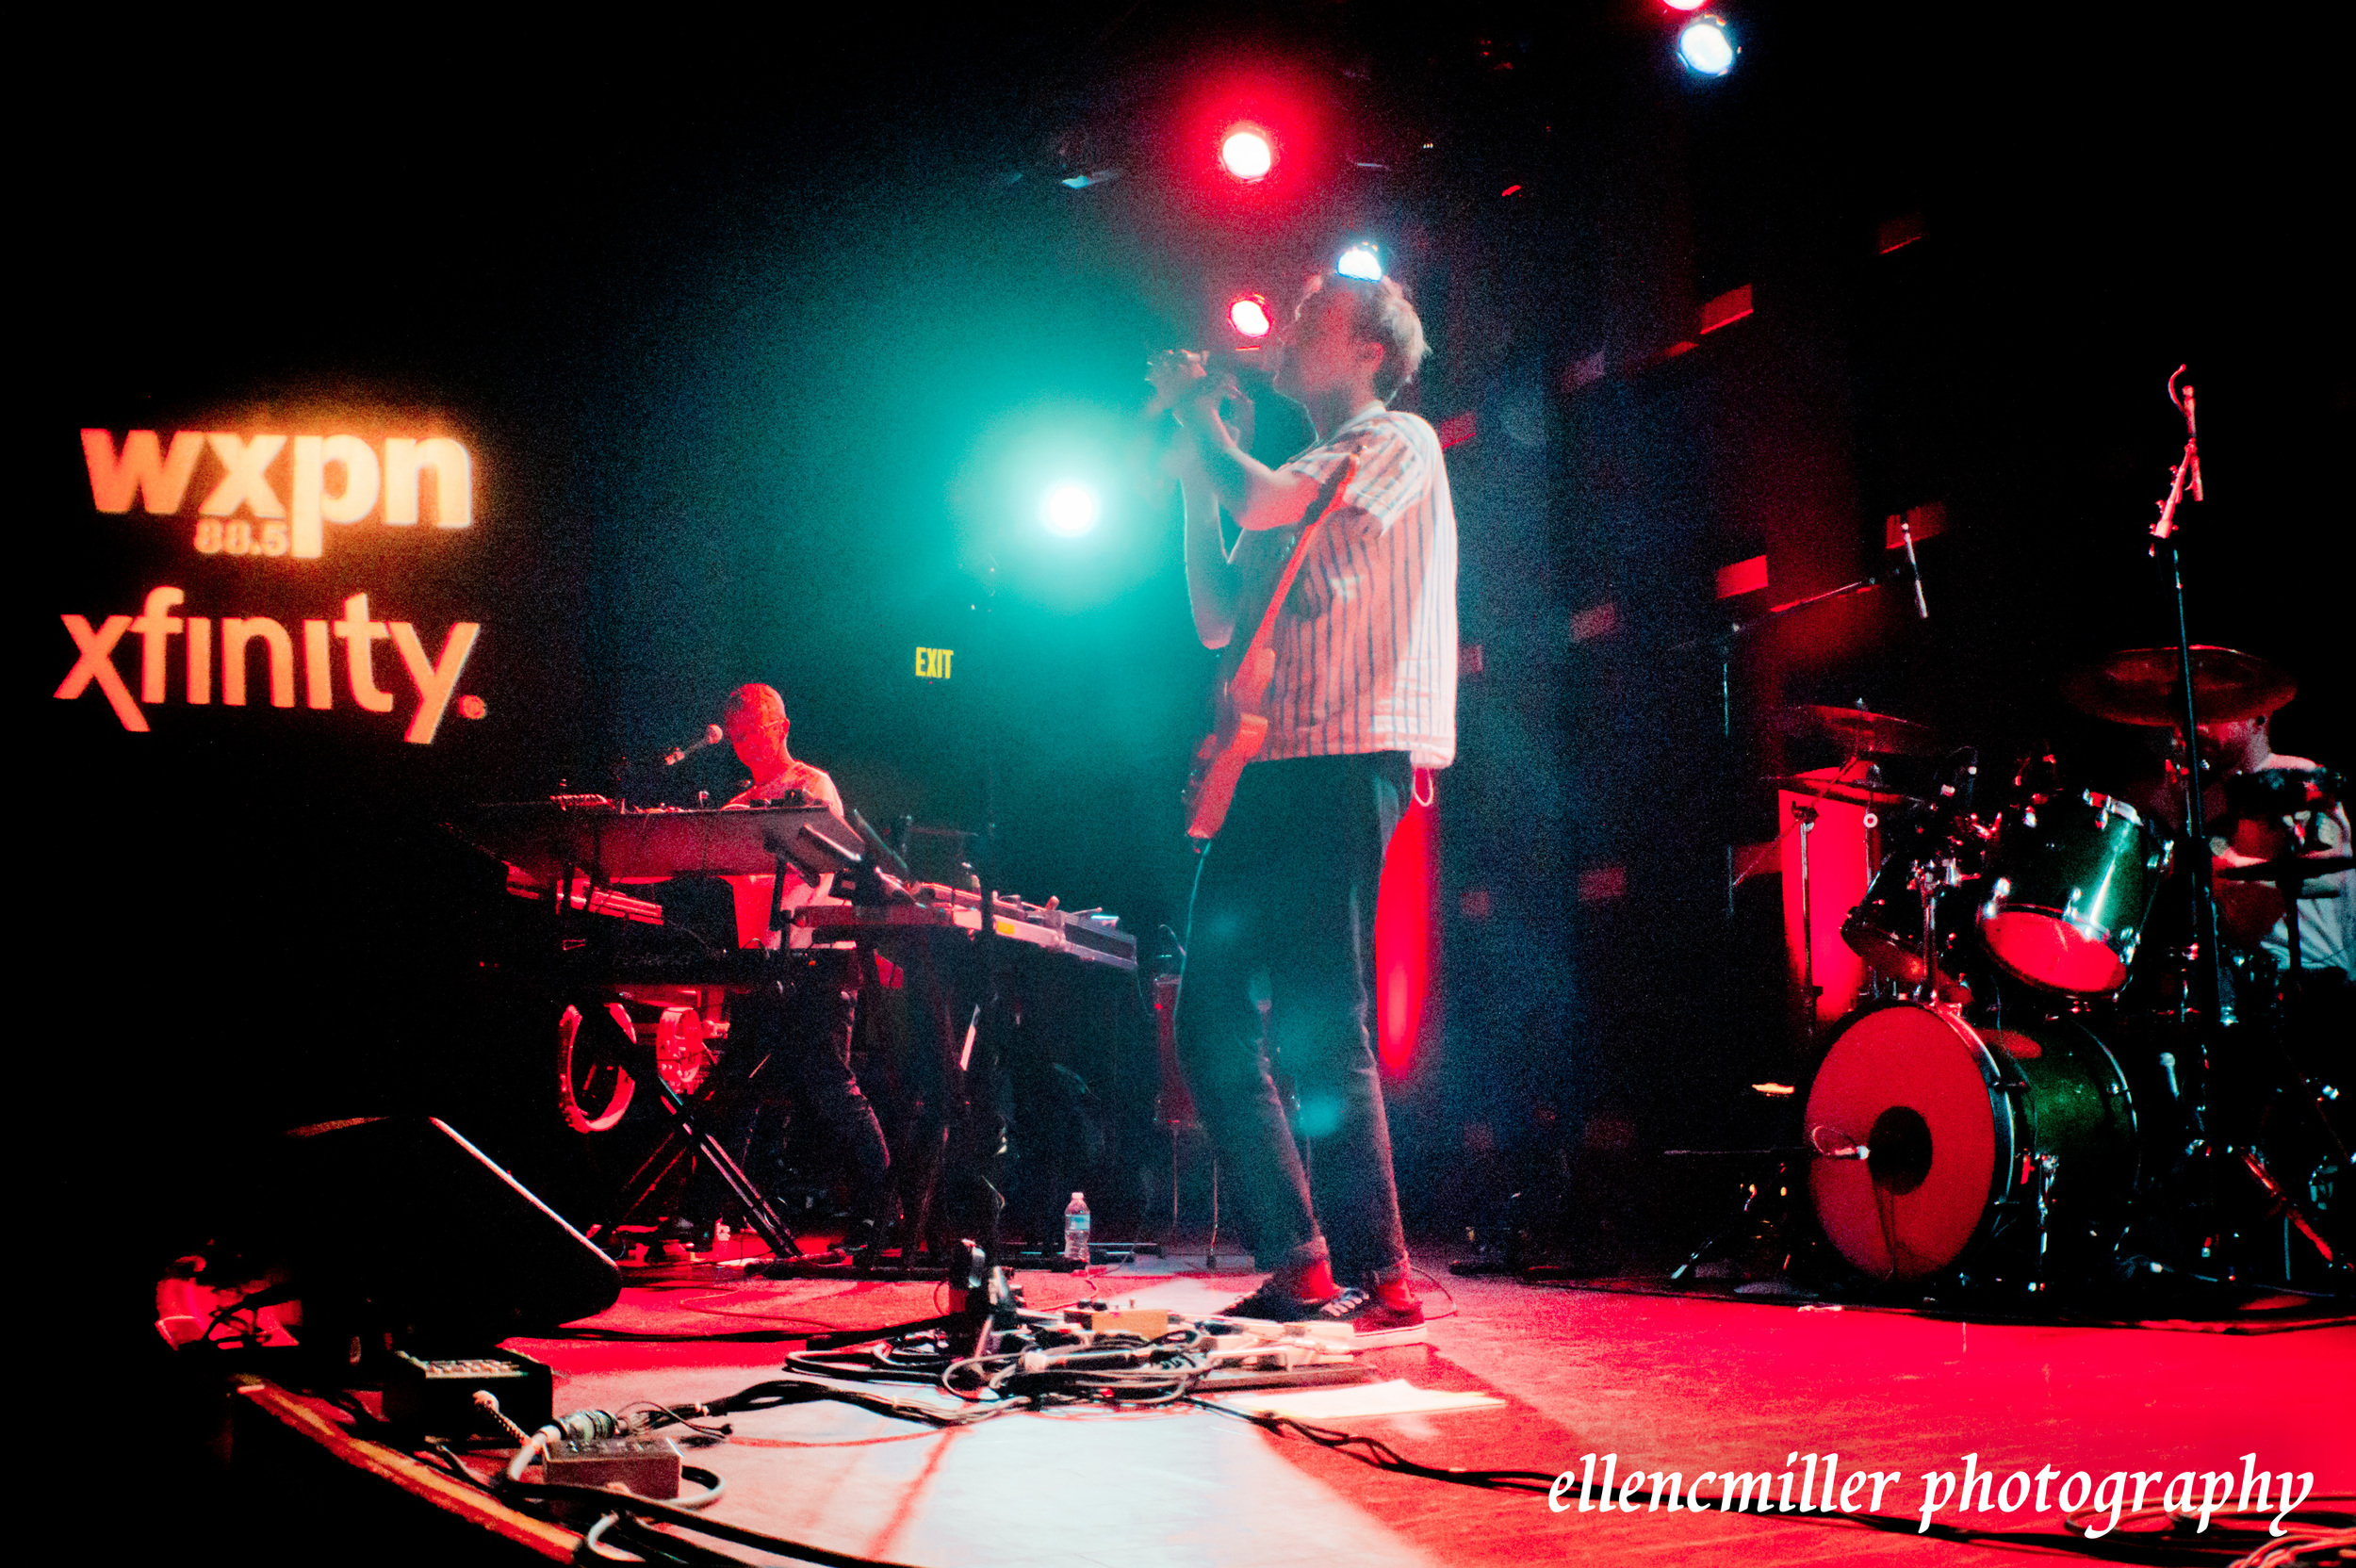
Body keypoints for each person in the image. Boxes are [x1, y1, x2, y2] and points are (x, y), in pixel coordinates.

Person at [1150, 270, 1455, 1333]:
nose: (1282, 335)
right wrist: (1195, 471)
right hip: (1268, 764)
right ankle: (1301, 1259)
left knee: (1324, 1019)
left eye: (1309, 320)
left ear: (1371, 350)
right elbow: (1212, 614)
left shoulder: (1396, 439)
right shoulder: (1293, 465)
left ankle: (1383, 1272)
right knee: (1210, 1020)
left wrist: (1198, 416)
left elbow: (1264, 501)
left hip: (1342, 756)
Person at [712, 682, 893, 1255]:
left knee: (831, 1087)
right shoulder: (737, 806)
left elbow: (822, 866)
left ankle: (880, 1210)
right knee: (733, 1090)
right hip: (760, 964)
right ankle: (706, 1214)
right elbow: (699, 852)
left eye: (753, 735)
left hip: (815, 961)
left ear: (782, 729)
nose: (743, 747)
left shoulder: (812, 786)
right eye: (735, 738)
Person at [2191, 709, 2353, 984]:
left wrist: (2233, 866)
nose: (2200, 727)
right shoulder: (2203, 802)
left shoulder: (2301, 777)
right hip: (2246, 978)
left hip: (2315, 974)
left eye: (2217, 712)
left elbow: (2329, 879)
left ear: (2259, 716)